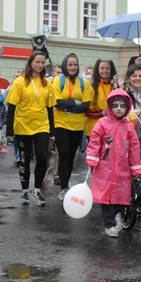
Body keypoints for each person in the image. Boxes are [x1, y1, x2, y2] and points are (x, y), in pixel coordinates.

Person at [85, 89, 141, 237]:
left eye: (122, 106)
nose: (118, 108)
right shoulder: (102, 123)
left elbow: (134, 146)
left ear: (127, 108)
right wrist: (92, 157)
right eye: (115, 105)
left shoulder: (128, 125)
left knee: (121, 196)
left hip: (122, 169)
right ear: (110, 106)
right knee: (106, 197)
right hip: (105, 167)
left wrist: (135, 167)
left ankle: (114, 216)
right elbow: (95, 140)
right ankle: (109, 223)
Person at [5, 50, 56, 206]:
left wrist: (52, 131)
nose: (40, 65)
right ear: (31, 62)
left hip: (41, 126)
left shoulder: (47, 83)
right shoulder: (20, 82)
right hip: (23, 126)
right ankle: (25, 192)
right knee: (25, 160)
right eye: (37, 62)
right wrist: (9, 131)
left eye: (42, 63)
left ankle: (37, 190)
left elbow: (49, 108)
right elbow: (12, 106)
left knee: (42, 157)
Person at [52, 53, 92, 200]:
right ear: (65, 65)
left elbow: (86, 105)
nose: (73, 67)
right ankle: (63, 187)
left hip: (77, 125)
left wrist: (69, 106)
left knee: (71, 157)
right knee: (64, 154)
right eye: (70, 64)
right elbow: (57, 103)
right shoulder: (58, 81)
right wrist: (76, 103)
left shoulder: (84, 83)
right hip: (60, 123)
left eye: (75, 64)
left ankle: (65, 184)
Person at [85, 59, 118, 137]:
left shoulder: (116, 87)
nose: (105, 71)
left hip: (112, 128)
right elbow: (87, 111)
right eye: (102, 68)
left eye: (107, 68)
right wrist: (103, 112)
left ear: (111, 70)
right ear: (98, 70)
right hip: (95, 128)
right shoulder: (92, 88)